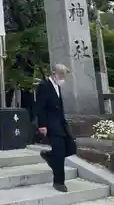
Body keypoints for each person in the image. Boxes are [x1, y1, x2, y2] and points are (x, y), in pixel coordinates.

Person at [36, 64, 76, 193]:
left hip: (61, 123)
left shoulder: (57, 86)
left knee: (70, 147)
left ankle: (49, 156)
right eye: (61, 75)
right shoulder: (44, 86)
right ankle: (58, 182)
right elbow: (40, 107)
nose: (63, 78)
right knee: (59, 152)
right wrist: (42, 125)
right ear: (54, 74)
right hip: (51, 124)